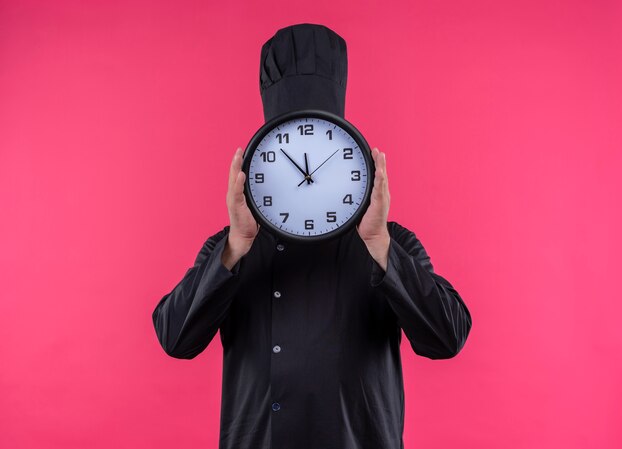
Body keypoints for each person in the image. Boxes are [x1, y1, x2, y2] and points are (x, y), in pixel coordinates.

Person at [152, 23, 472, 449]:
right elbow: (175, 339)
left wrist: (380, 246)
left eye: (323, 159)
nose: (306, 178)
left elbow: (448, 338)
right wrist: (234, 246)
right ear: (260, 167)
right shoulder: (232, 246)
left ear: (349, 161)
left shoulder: (388, 242)